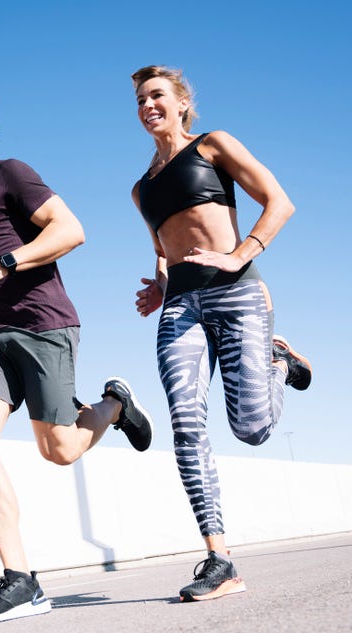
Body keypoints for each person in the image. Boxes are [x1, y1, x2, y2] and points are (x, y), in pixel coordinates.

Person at [0, 94, 154, 625]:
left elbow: (70, 231)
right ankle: (20, 580)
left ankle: (114, 404)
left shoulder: (10, 174)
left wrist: (2, 263)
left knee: (60, 450)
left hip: (44, 324)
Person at [129, 66, 313, 602]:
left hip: (236, 295)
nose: (148, 106)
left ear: (182, 103)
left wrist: (240, 254)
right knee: (186, 422)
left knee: (252, 429)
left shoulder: (212, 146)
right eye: (140, 99)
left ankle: (278, 362)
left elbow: (279, 201)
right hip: (181, 307)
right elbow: (164, 248)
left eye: (157, 96)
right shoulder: (141, 189)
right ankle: (219, 559)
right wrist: (159, 286)